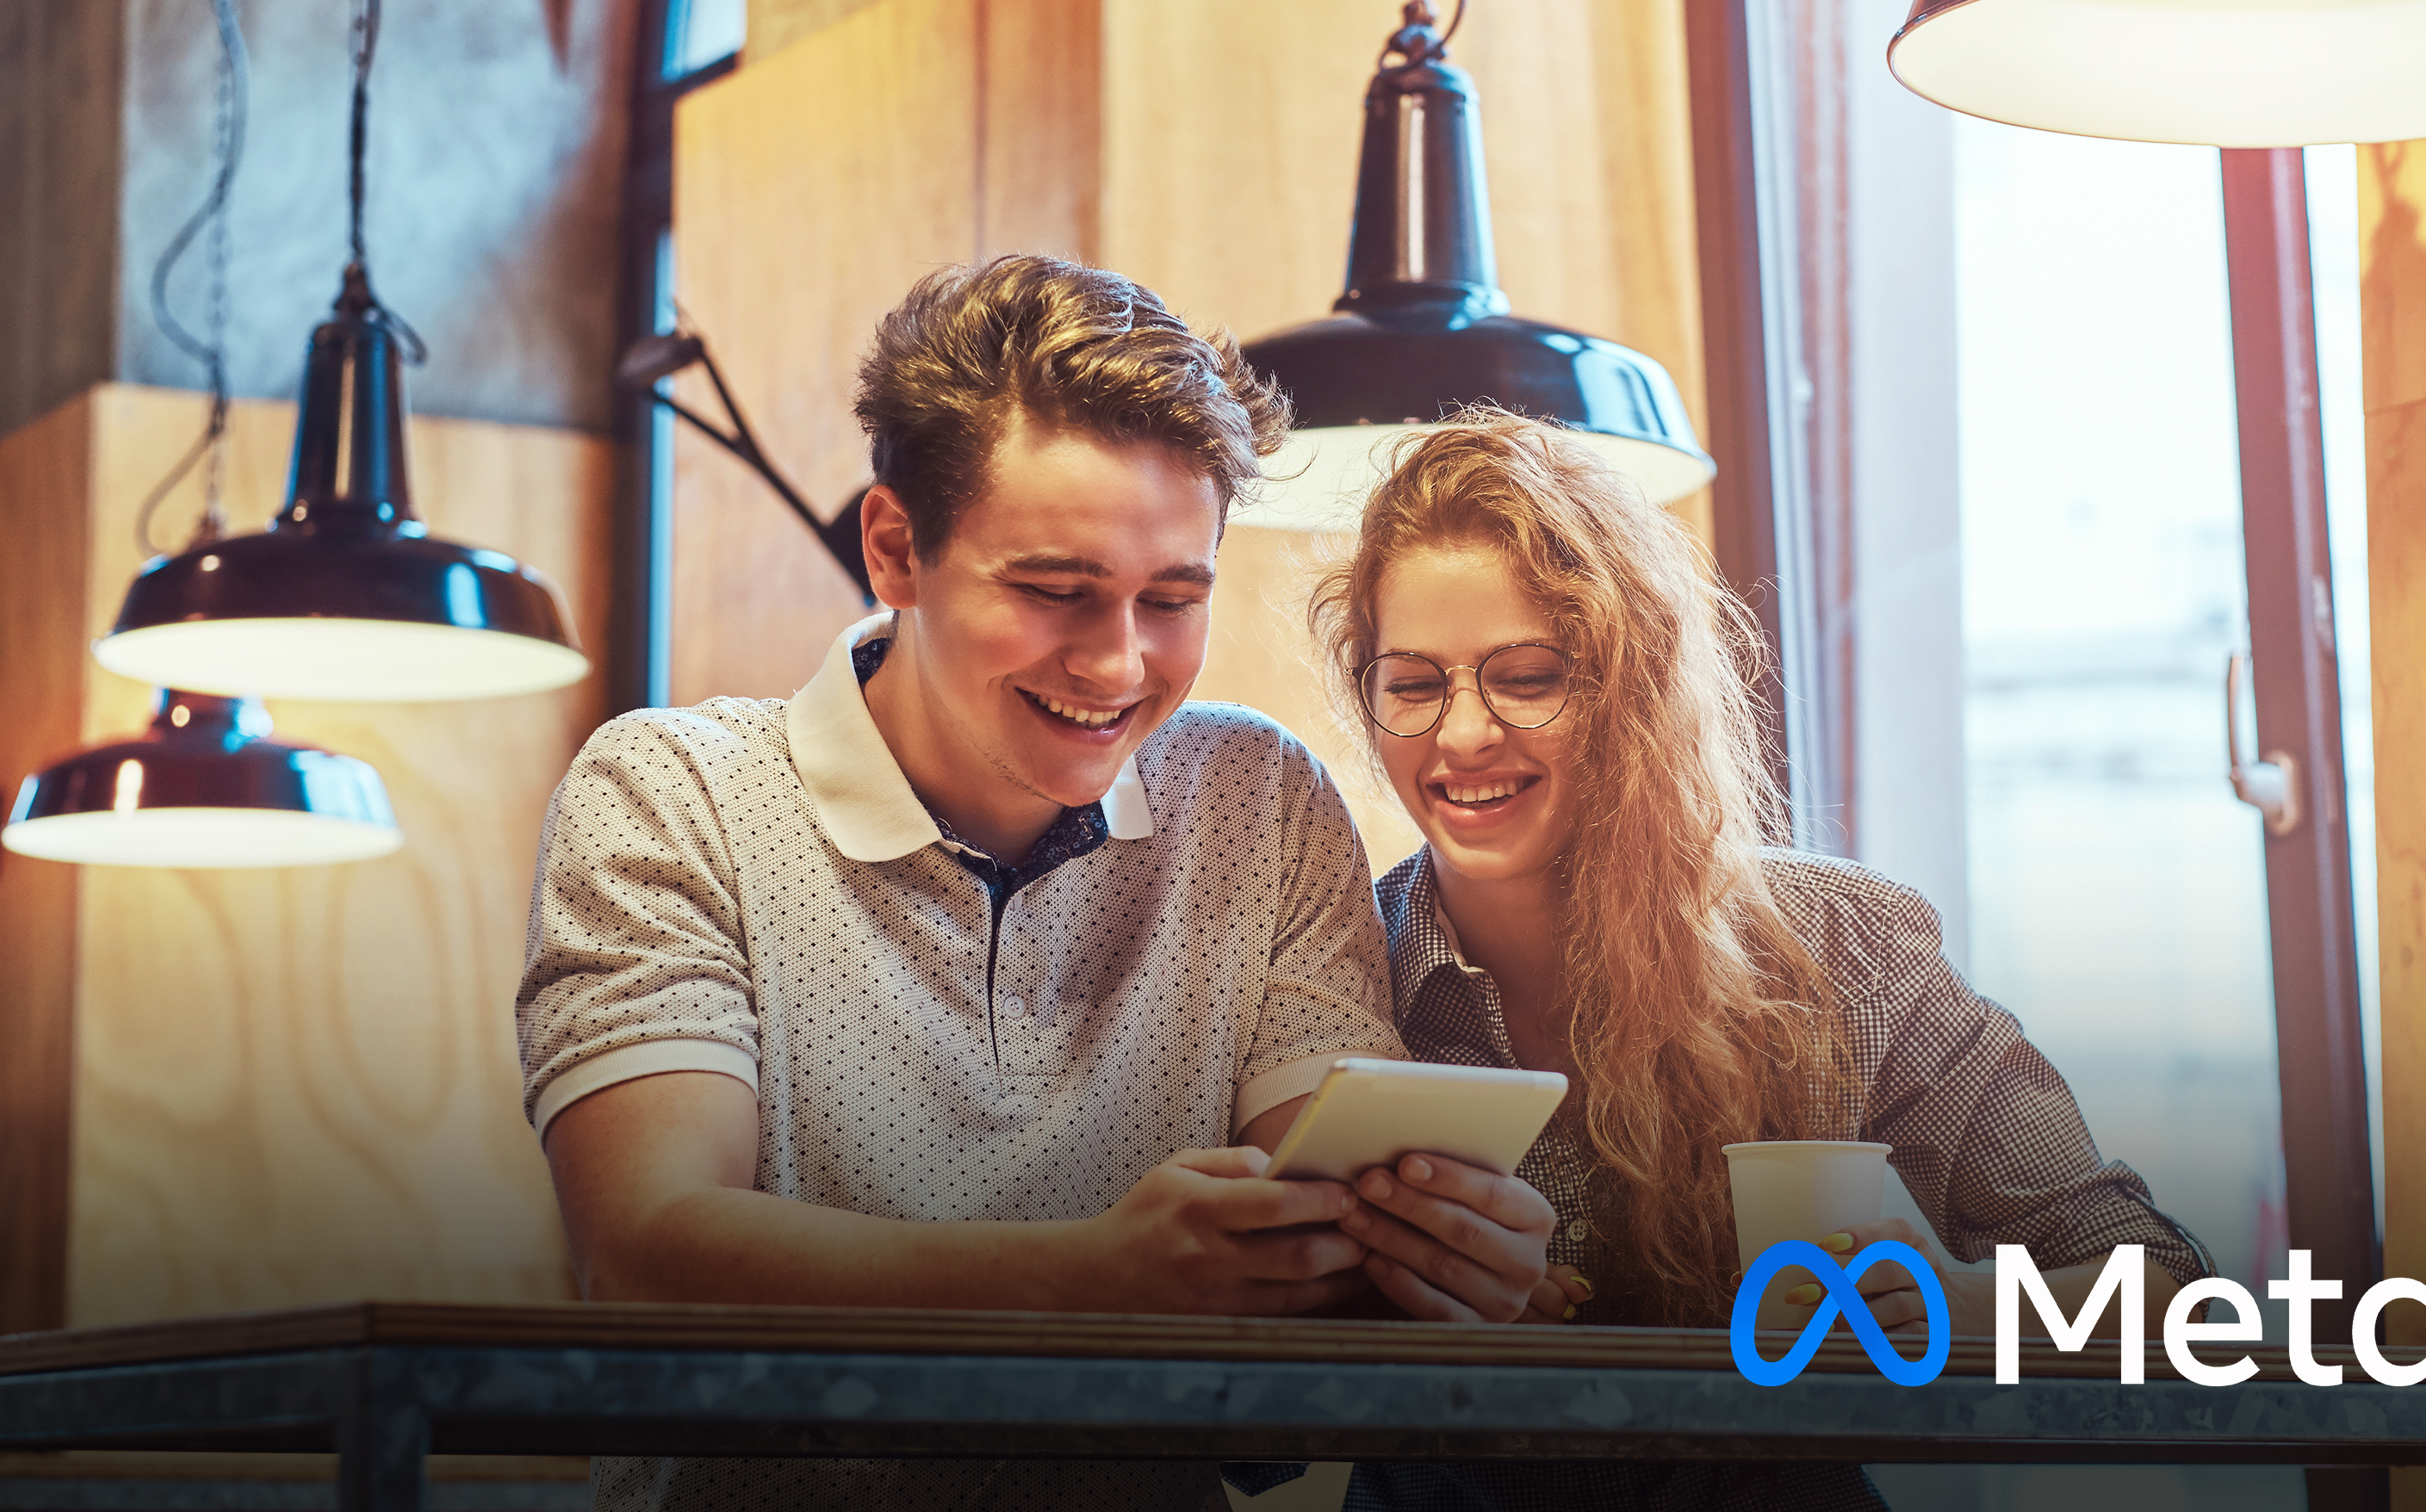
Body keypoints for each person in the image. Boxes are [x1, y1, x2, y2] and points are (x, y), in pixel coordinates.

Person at [515, 257, 1555, 1512]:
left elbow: (1309, 1250)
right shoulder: (672, 792)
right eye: (1057, 592)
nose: (1119, 663)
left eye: (1172, 599)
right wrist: (1088, 1277)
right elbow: (649, 1251)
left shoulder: (1259, 797)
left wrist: (1434, 1265)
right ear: (896, 549)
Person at [1293, 409, 2217, 1511]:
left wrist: (1953, 1304)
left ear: (1629, 687)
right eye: (1413, 682)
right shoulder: (1337, 969)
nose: (1462, 735)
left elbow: (2170, 1293)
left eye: (1526, 674)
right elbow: (1247, 1395)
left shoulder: (1845, 948)